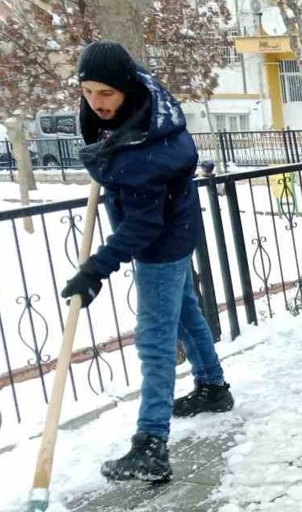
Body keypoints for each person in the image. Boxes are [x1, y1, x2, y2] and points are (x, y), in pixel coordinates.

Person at [62, 41, 233, 483]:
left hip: (161, 241)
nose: (96, 103)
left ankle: (151, 444)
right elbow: (119, 69)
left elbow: (142, 227)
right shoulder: (141, 95)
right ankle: (212, 386)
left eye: (105, 94)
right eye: (87, 92)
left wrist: (95, 268)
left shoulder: (145, 152)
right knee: (185, 312)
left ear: (125, 90)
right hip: (177, 226)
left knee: (154, 341)